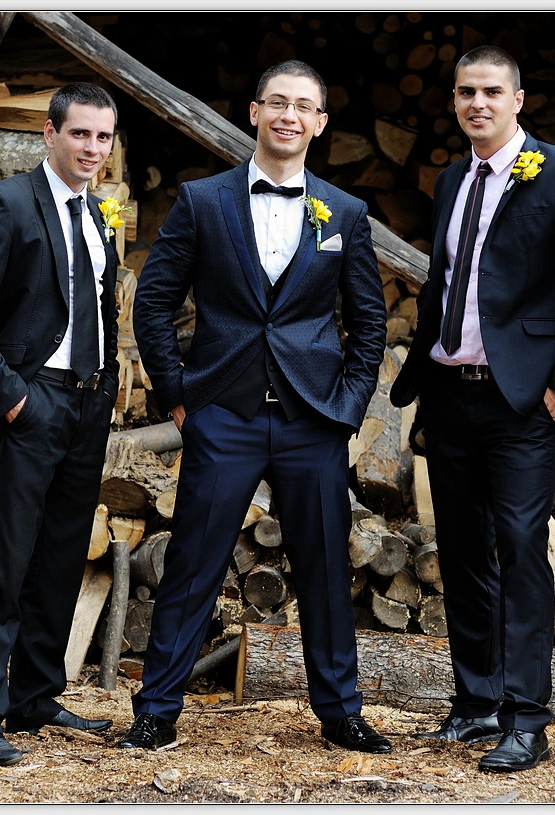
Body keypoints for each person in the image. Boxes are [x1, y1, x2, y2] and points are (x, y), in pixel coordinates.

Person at [126, 60, 389, 754]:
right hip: (222, 414)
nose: (288, 116)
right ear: (253, 112)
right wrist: (176, 394)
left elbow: (369, 323)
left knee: (325, 569)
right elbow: (153, 303)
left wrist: (347, 408)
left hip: (313, 420)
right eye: (277, 102)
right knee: (192, 563)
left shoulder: (345, 212)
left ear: (319, 123)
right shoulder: (202, 200)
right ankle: (156, 710)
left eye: (303, 106)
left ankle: (340, 711)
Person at [390, 46, 555, 772]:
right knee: (460, 549)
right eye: (466, 92)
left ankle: (526, 719)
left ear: (518, 100)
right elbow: (446, 280)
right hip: (448, 391)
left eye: (492, 91)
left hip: (522, 399)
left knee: (521, 548)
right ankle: (477, 701)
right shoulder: (452, 178)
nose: (477, 104)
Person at [0, 82, 121, 766]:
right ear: (49, 134)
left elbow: (97, 309)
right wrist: (14, 397)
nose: (91, 148)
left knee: (60, 557)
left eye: (102, 137)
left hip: (87, 403)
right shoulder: (6, 203)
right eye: (80, 133)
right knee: (3, 561)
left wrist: (104, 389)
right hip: (33, 400)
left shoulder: (97, 214)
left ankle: (37, 695)